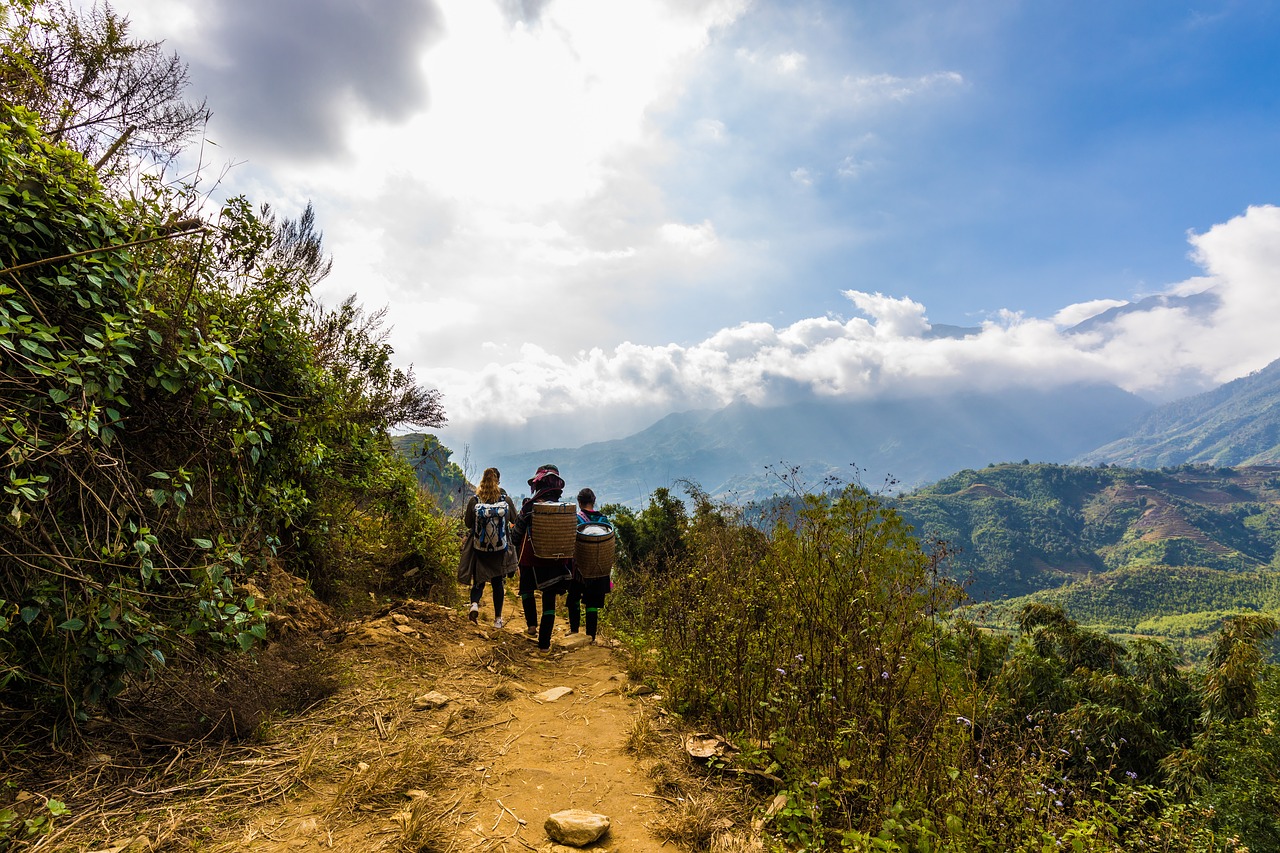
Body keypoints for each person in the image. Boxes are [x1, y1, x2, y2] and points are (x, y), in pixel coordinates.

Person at [511, 463, 573, 650]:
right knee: (549, 600)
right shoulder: (565, 510)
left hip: (530, 560)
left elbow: (516, 536)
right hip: (556, 561)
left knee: (527, 590)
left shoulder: (529, 507)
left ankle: (531, 626)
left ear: (538, 485)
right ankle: (544, 644)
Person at [463, 468, 518, 629]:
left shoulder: (475, 500)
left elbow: (468, 523)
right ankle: (498, 619)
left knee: (479, 580)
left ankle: (474, 604)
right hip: (500, 549)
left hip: (480, 548)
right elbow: (514, 519)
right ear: (498, 481)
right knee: (497, 583)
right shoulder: (505, 500)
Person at [566, 487, 612, 642]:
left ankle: (574, 631)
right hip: (598, 569)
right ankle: (591, 636)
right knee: (592, 602)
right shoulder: (604, 521)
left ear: (579, 502)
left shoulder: (576, 519)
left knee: (574, 599)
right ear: (594, 501)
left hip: (579, 569)